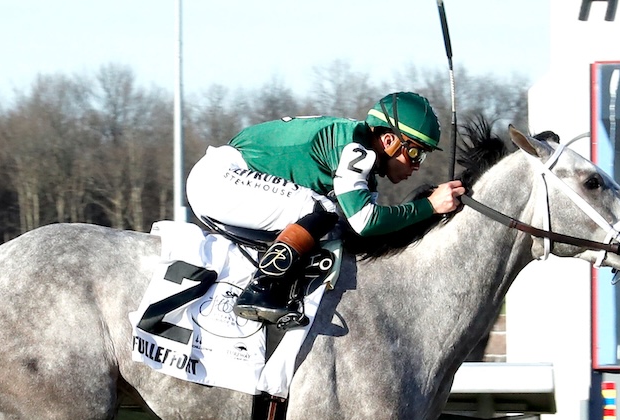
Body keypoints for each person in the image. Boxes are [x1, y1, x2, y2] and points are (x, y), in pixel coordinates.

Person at [185, 91, 467, 327]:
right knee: (322, 209)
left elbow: (368, 230)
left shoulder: (363, 161)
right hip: (219, 180)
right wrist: (429, 206)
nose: (417, 165)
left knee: (332, 219)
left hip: (229, 179)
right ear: (389, 141)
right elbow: (365, 221)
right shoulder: (354, 149)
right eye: (415, 152)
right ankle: (260, 289)